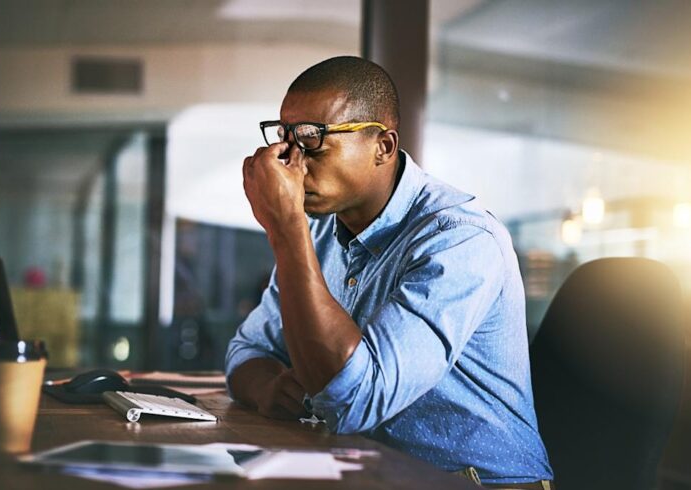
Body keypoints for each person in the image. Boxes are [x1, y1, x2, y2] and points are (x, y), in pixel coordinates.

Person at [225, 56, 553, 488]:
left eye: (312, 140)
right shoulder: (320, 232)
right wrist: (269, 389)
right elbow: (247, 349)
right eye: (285, 140)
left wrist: (285, 228)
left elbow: (353, 399)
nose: (291, 164)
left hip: (478, 482)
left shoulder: (461, 240)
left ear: (383, 146)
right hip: (372, 475)